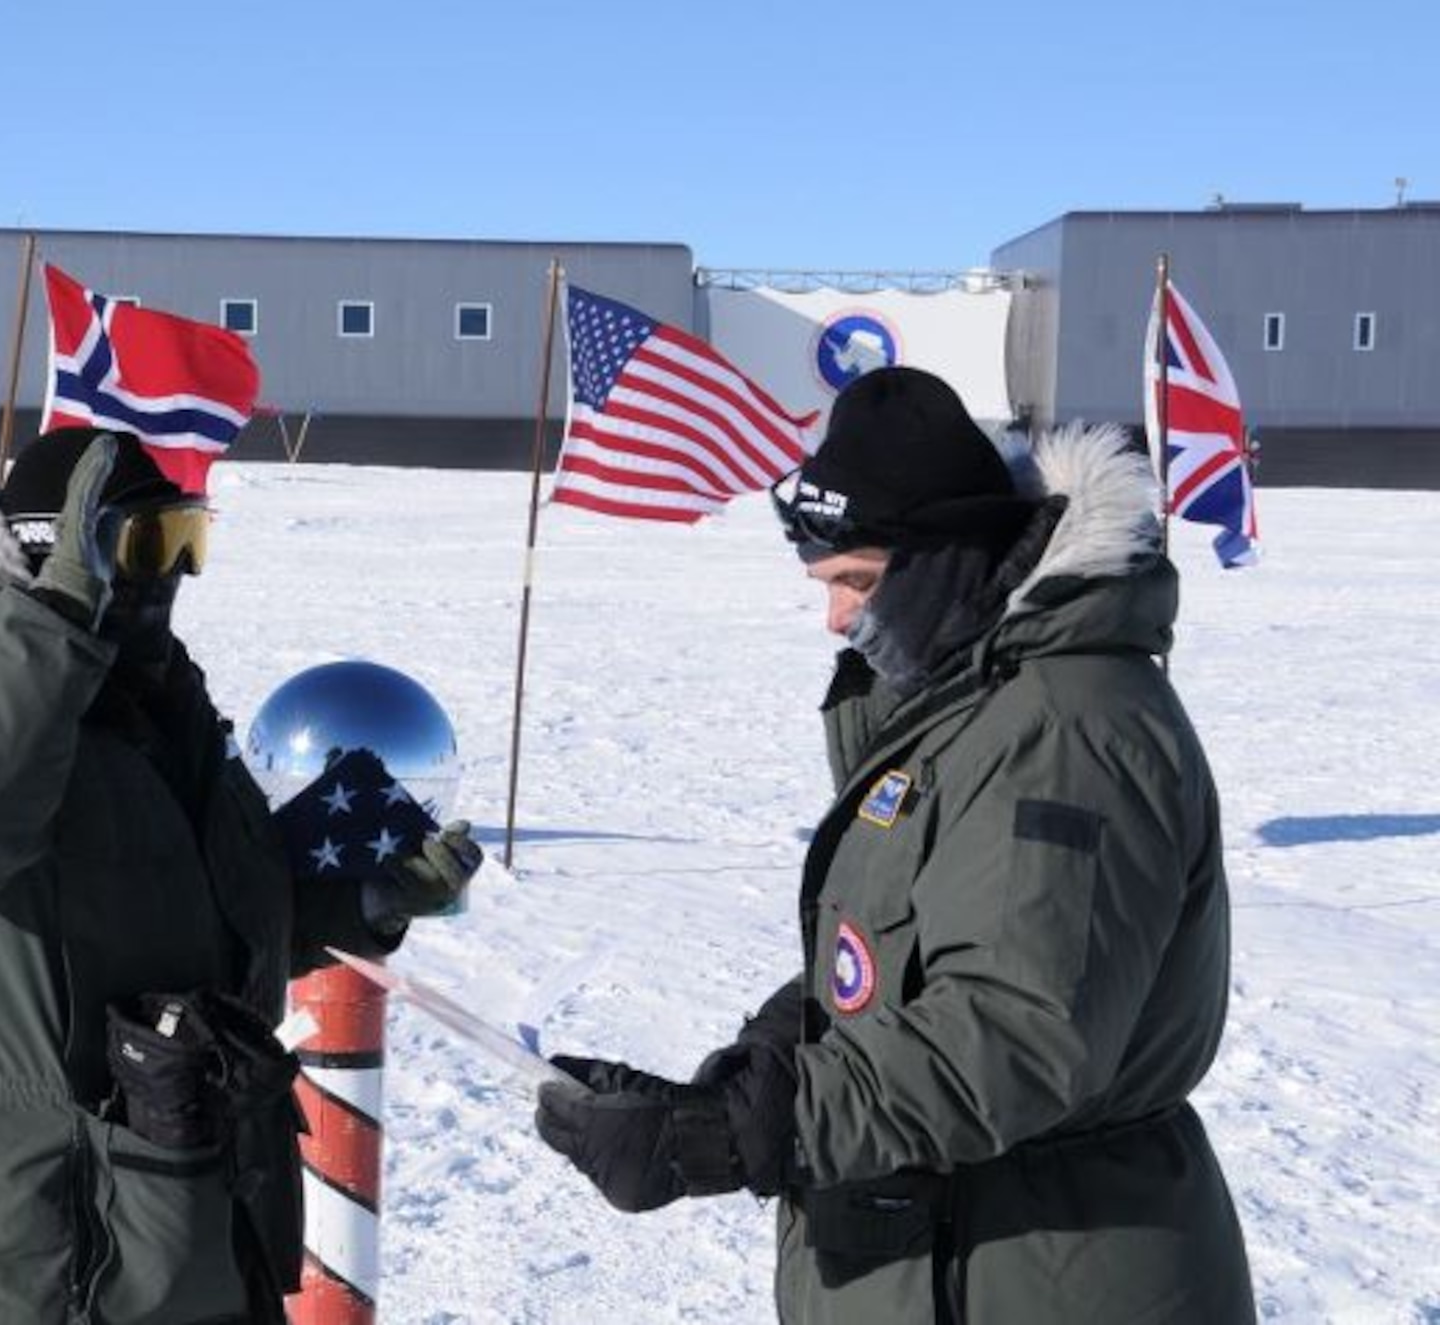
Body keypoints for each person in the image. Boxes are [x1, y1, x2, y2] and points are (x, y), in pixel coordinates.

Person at [533, 367, 1255, 1322]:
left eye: (858, 581)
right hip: (952, 1250)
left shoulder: (1063, 731)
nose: (836, 618)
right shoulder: (968, 706)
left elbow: (1014, 1035)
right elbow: (900, 944)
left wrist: (737, 1132)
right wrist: (760, 1062)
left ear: (944, 563)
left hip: (1044, 1267)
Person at [0, 427, 479, 1324]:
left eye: (191, 538)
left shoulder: (158, 703)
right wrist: (59, 613)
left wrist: (366, 899)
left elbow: (214, 921)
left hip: (187, 1220)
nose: (173, 575)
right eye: (147, 544)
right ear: (54, 553)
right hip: (51, 1255)